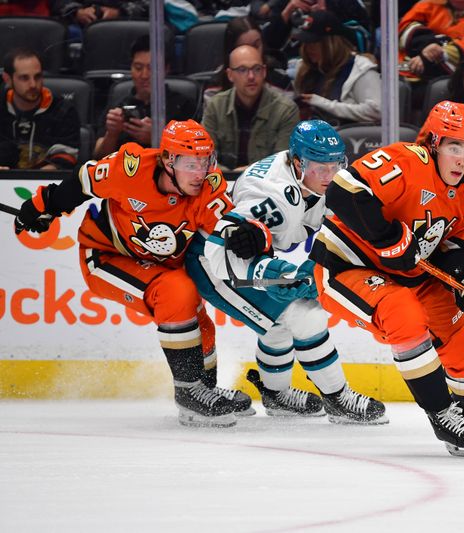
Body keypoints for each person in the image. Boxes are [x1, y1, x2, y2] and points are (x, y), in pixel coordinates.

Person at [310, 100, 464, 457]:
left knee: (458, 333)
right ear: (433, 143)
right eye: (454, 147)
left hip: (409, 274)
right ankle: (443, 414)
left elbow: (452, 248)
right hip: (347, 266)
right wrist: (388, 240)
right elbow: (341, 191)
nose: (462, 158)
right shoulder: (404, 162)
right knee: (404, 314)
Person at [13, 119, 252, 428]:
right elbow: (83, 180)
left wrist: (247, 236)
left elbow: (227, 224)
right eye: (191, 164)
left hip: (157, 263)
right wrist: (43, 206)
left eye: (205, 162)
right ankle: (189, 394)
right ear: (168, 160)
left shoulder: (208, 186)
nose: (200, 173)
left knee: (198, 316)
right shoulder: (130, 168)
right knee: (176, 290)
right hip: (106, 256)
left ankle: (204, 391)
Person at [184, 120, 387, 424]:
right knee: (306, 315)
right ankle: (337, 398)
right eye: (320, 168)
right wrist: (274, 272)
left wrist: (314, 265)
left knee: (279, 325)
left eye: (336, 166)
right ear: (297, 162)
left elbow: (338, 228)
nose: (330, 176)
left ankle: (276, 395)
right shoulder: (272, 197)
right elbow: (221, 251)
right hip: (212, 263)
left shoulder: (309, 174)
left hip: (246, 254)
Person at [94, 35, 197, 159]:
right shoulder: (118, 106)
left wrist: (158, 138)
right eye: (138, 68)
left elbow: (195, 156)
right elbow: (98, 158)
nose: (144, 75)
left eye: (151, 68)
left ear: (166, 69)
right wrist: (112, 134)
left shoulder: (184, 105)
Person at [203, 44, 300, 171]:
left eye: (257, 69)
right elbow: (204, 159)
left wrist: (248, 174)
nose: (251, 76)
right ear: (230, 75)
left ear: (264, 72)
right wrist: (230, 175)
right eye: (242, 70)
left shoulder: (286, 110)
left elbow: (284, 164)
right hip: (222, 182)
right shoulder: (215, 106)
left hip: (268, 186)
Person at [292, 11, 381, 125]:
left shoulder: (360, 68)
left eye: (315, 43)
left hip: (349, 138)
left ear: (331, 43)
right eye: (306, 43)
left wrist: (323, 104)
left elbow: (376, 111)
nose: (309, 48)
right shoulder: (304, 68)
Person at [0, 48, 80, 170]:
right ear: (8, 79)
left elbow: (65, 159)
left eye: (37, 76)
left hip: (45, 182)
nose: (33, 84)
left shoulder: (63, 110)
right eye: (24, 78)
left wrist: (33, 179)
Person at [398, 0, 464, 81]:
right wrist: (427, 44)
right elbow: (404, 27)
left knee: (441, 88)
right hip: (402, 69)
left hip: (441, 76)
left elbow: (462, 50)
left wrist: (426, 58)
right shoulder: (428, 4)